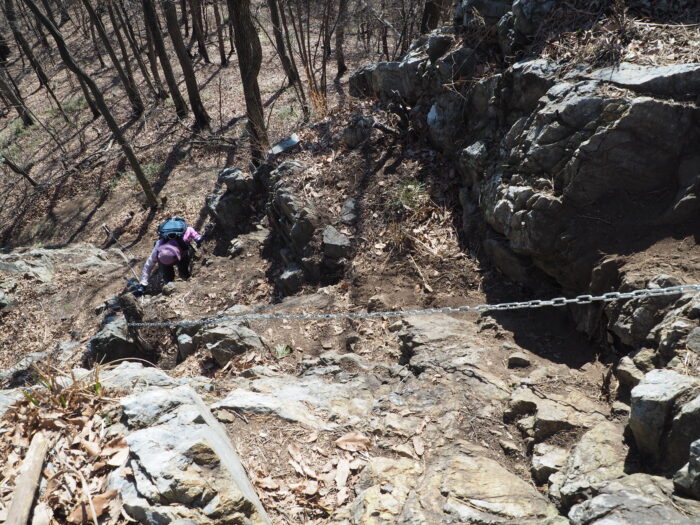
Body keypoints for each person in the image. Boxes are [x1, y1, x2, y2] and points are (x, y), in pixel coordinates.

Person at [135, 217, 203, 294]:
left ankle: (185, 278)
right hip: (168, 258)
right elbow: (148, 265)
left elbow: (192, 232)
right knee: (168, 277)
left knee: (184, 271)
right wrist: (143, 284)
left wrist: (199, 238)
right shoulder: (159, 245)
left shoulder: (184, 235)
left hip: (181, 254)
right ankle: (169, 284)